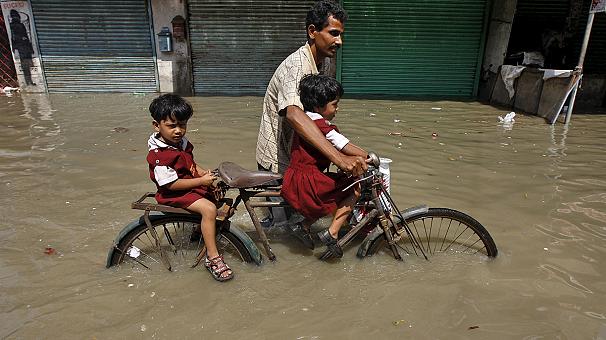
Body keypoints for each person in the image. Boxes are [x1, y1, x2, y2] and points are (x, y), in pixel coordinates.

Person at [255, 0, 367, 231]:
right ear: (313, 32)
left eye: (341, 34)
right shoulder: (298, 67)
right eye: (334, 33)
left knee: (298, 218)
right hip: (280, 160)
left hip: (300, 156)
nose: (340, 41)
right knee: (282, 230)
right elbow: (295, 115)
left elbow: (317, 117)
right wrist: (340, 159)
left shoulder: (319, 63)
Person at [146, 94, 233, 282]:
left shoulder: (179, 143)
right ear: (156, 125)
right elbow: (170, 184)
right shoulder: (160, 155)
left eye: (182, 125)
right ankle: (213, 257)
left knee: (217, 194)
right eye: (172, 126)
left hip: (187, 187)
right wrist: (201, 182)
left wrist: (204, 174)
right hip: (173, 193)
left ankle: (200, 229)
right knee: (209, 209)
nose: (178, 131)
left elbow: (190, 165)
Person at [281, 74, 368, 259]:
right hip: (309, 181)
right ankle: (332, 233)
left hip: (296, 177)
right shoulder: (322, 127)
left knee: (334, 191)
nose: (338, 108)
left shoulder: (307, 121)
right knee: (355, 188)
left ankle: (303, 225)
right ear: (319, 106)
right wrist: (370, 157)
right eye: (334, 104)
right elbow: (345, 146)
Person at [9, 10, 36, 86]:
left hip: (23, 48)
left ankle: (29, 82)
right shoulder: (17, 25)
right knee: (26, 66)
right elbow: (23, 36)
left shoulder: (14, 25)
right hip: (23, 48)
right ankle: (28, 82)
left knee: (26, 66)